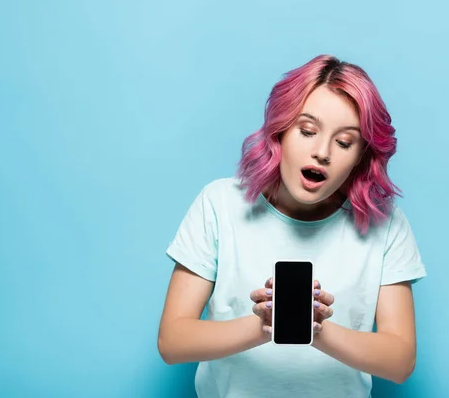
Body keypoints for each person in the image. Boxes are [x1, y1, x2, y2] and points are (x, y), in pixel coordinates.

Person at [157, 54, 427, 398]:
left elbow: (400, 361)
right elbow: (172, 341)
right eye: (307, 130)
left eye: (344, 142)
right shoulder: (219, 204)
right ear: (281, 131)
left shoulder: (386, 224)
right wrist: (265, 326)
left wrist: (313, 329)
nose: (322, 152)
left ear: (361, 155)